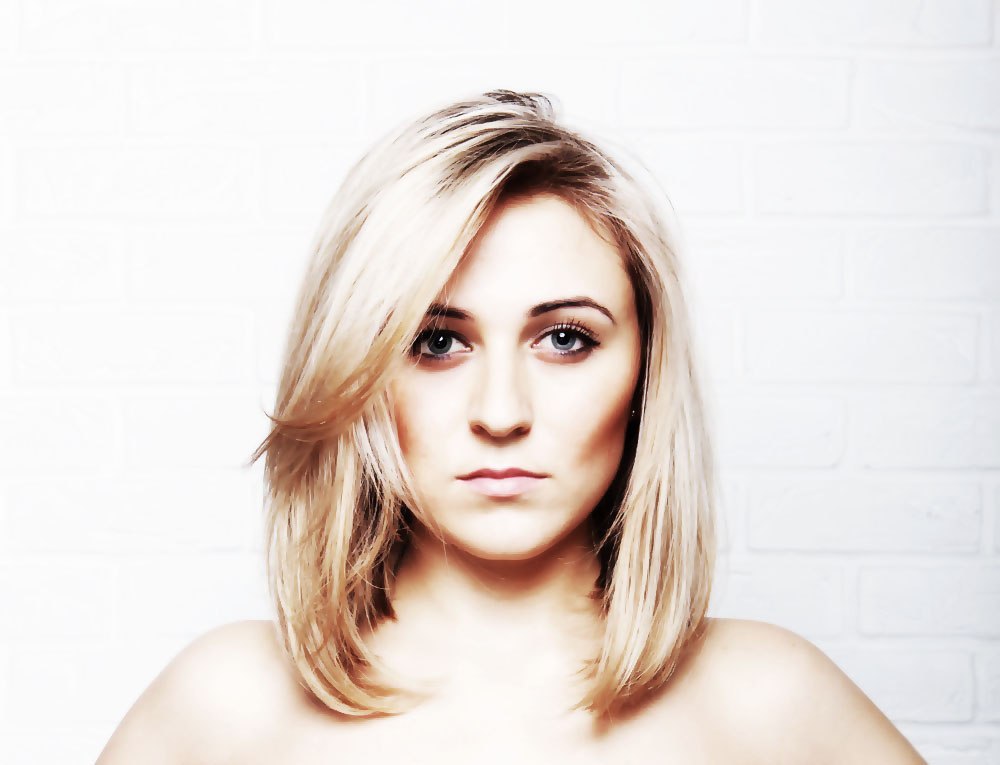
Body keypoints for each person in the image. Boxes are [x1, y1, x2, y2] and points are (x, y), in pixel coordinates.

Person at [96, 90, 926, 764]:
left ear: (646, 371)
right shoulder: (222, 708)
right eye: (437, 342)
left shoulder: (770, 703)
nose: (501, 413)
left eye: (565, 339)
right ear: (359, 369)